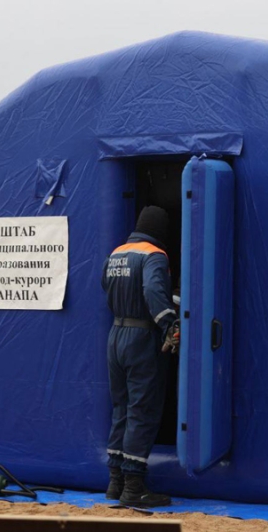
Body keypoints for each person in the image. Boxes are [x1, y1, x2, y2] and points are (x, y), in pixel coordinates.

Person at [101, 206, 179, 508]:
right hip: (142, 339)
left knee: (120, 408)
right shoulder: (154, 254)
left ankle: (115, 483)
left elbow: (106, 286)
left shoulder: (117, 252)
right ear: (161, 230)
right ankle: (134, 488)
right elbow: (152, 290)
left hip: (116, 334)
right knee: (142, 410)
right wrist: (169, 323)